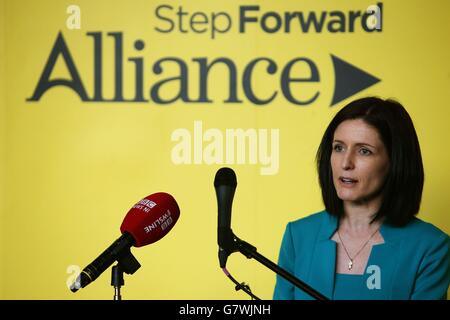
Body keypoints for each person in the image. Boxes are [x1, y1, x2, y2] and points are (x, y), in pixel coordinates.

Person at [273, 97, 450, 300]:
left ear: (395, 161)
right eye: (338, 147)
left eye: (364, 151)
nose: (346, 163)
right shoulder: (299, 236)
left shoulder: (430, 246)